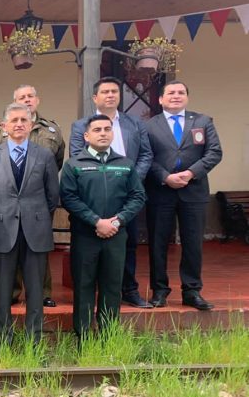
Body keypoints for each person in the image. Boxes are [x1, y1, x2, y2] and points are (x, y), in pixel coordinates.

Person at [70, 77, 153, 308]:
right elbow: (77, 156)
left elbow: (146, 154)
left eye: (114, 91)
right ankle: (94, 292)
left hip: (126, 196)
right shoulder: (81, 125)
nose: (110, 95)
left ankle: (129, 289)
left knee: (129, 243)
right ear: (95, 97)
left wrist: (131, 179)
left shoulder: (135, 123)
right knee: (90, 250)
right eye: (105, 91)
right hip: (92, 197)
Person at [61, 114, 146, 338]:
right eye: (97, 130)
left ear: (113, 133)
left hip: (116, 236)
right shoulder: (74, 165)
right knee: (83, 287)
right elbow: (69, 198)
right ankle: (84, 338)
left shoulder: (126, 165)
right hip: (85, 236)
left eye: (107, 129)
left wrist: (117, 221)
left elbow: (138, 197)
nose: (103, 133)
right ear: (86, 135)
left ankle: (109, 338)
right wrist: (96, 221)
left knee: (111, 288)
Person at [0, 104, 59, 341]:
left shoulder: (44, 155)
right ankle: (4, 338)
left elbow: (52, 195)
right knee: (3, 289)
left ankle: (33, 339)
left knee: (35, 290)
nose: (19, 124)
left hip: (35, 229)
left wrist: (34, 215)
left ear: (32, 125)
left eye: (24, 120)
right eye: (13, 120)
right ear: (4, 127)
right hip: (3, 229)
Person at [144, 81, 222, 310]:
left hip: (194, 191)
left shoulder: (202, 121)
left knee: (193, 243)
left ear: (187, 97)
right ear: (160, 99)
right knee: (158, 242)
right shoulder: (149, 126)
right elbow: (146, 156)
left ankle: (192, 290)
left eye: (181, 93)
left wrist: (190, 173)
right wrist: (165, 176)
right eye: (171, 93)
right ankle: (159, 290)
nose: (176, 96)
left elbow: (214, 152)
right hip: (161, 191)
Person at [0, 84, 65, 307]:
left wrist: (41, 207)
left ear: (37, 100)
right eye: (21, 97)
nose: (26, 100)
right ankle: (11, 293)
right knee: (8, 251)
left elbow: (56, 165)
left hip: (37, 205)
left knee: (37, 252)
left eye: (30, 96)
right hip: (6, 208)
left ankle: (42, 293)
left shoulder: (51, 129)